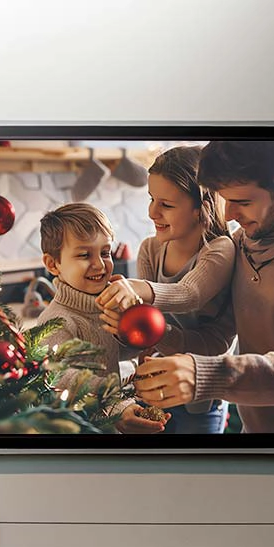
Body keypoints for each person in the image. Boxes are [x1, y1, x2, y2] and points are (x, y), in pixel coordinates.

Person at [133, 140, 274, 433]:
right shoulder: (240, 246)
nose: (228, 215)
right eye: (224, 199)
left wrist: (205, 376)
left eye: (243, 202)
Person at [94, 145, 236, 433]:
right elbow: (146, 330)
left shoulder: (220, 249)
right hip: (151, 392)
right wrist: (123, 327)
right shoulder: (150, 249)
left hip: (199, 401)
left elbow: (189, 295)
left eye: (166, 205)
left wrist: (139, 289)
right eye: (151, 199)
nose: (152, 212)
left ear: (201, 207)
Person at [35, 203, 168, 434]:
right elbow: (61, 378)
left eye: (105, 253)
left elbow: (116, 353)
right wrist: (118, 399)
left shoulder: (106, 306)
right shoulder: (56, 321)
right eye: (84, 255)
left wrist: (130, 329)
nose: (99, 264)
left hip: (112, 419)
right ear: (52, 264)